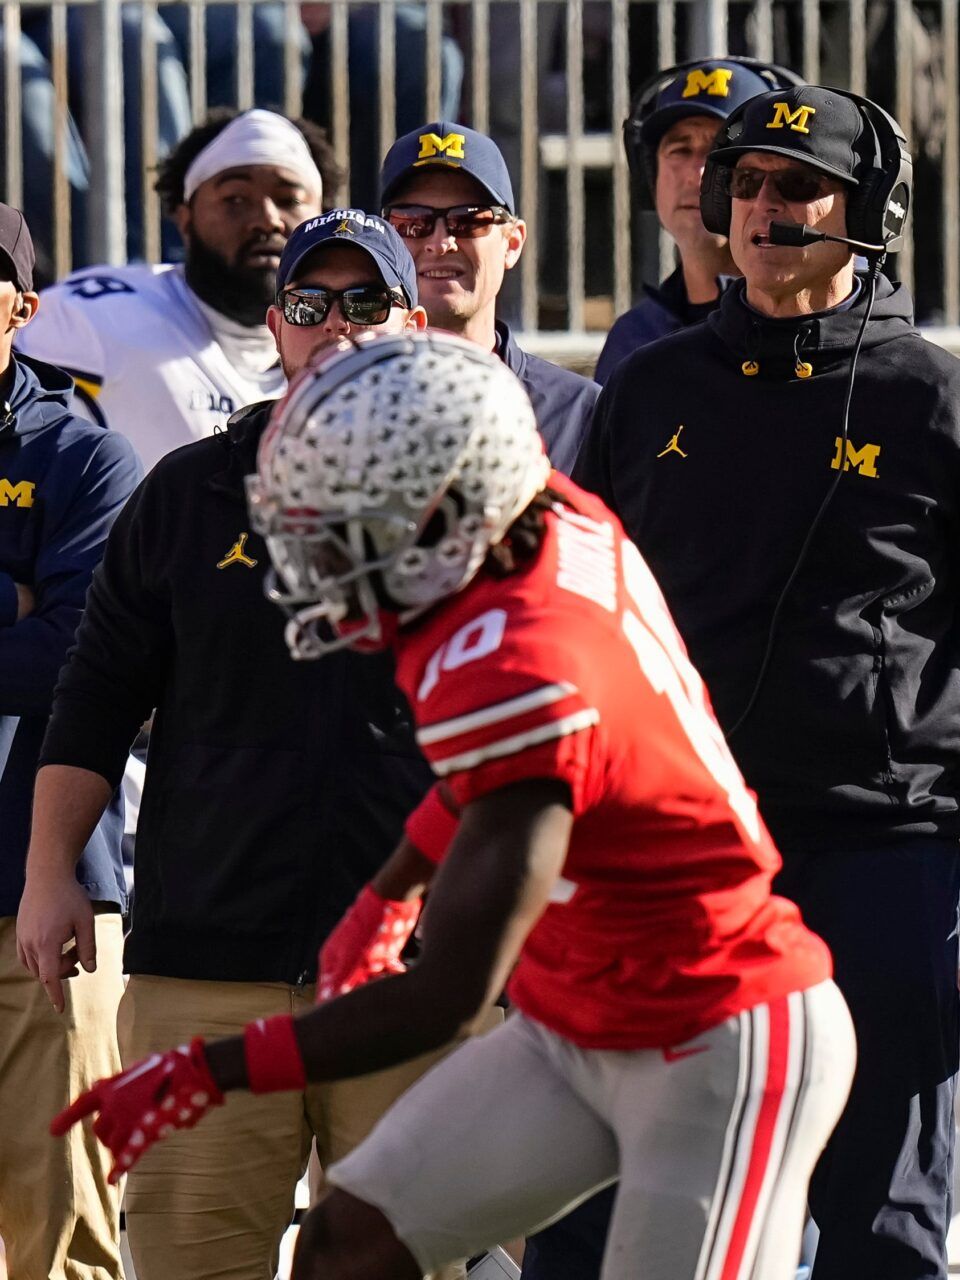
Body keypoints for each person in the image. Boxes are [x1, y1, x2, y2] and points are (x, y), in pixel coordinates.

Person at [54, 330, 856, 1280]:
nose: (321, 553)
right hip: (576, 1020)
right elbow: (501, 775)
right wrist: (387, 897)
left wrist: (213, 1067)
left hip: (713, 1033)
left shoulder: (525, 663)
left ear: (451, 511)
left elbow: (444, 994)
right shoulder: (553, 519)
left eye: (354, 519)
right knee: (350, 1246)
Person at [578, 84, 960, 1280]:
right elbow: (583, 616)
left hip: (879, 854)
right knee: (633, 1184)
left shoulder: (940, 400)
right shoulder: (648, 394)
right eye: (745, 184)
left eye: (798, 186)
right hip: (679, 849)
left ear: (868, 214)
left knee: (882, 1204)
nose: (763, 208)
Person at [15, 209, 442, 1280]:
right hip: (206, 966)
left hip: (401, 972)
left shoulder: (468, 498)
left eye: (363, 302)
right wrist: (48, 872)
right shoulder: (188, 493)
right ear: (274, 327)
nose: (334, 325)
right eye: (309, 304)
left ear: (414, 321)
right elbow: (93, 700)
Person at [0, 201, 140, 1280]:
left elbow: (75, 659)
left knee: (68, 1250)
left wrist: (36, 621)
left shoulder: (87, 459)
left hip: (39, 908)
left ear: (21, 308)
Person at [18, 109, 335, 470]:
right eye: (235, 199)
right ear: (185, 218)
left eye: (290, 200)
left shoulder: (353, 334)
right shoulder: (96, 316)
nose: (267, 219)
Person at [376, 122, 597, 474]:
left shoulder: (579, 412)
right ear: (384, 242)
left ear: (512, 243)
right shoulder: (353, 406)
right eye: (412, 222)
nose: (440, 242)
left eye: (468, 221)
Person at [596, 56, 800, 384]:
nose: (698, 175)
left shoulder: (825, 327)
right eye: (680, 150)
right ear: (650, 176)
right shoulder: (633, 340)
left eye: (719, 153)